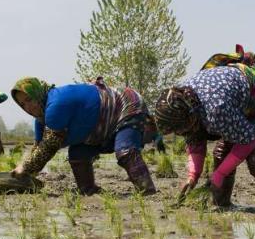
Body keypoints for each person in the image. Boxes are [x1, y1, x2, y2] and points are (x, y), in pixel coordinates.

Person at [154, 58, 255, 210]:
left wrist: (219, 174)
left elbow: (248, 139)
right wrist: (192, 176)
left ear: (190, 116)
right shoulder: (184, 101)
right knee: (221, 154)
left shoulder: (216, 109)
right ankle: (221, 204)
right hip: (243, 105)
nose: (180, 133)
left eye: (179, 129)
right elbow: (195, 139)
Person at [9, 77, 156, 194]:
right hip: (98, 126)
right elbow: (38, 147)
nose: (27, 107)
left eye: (29, 100)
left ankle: (147, 191)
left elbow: (48, 147)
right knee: (78, 153)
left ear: (38, 94)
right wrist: (24, 172)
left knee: (125, 152)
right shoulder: (41, 119)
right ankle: (88, 190)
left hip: (126, 104)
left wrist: (25, 168)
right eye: (22, 105)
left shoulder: (55, 105)